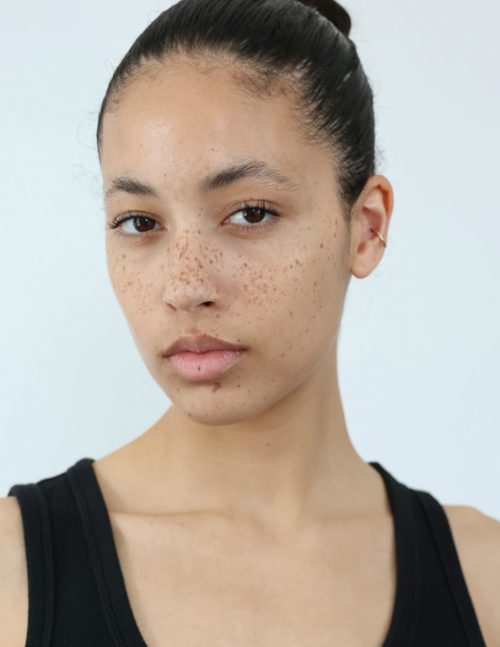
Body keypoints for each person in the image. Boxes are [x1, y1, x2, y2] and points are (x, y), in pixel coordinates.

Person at [1, 0, 499, 645]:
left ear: (367, 227)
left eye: (251, 214)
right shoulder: (10, 574)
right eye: (140, 222)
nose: (186, 287)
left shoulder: (487, 580)